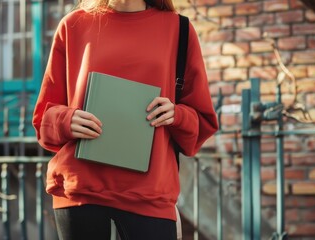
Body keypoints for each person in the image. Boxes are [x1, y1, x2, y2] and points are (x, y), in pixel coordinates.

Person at [32, 0, 218, 239]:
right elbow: (43, 119)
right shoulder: (74, 24)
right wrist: (65, 120)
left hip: (149, 195)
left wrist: (177, 115)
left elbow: (202, 122)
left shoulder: (179, 29)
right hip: (81, 191)